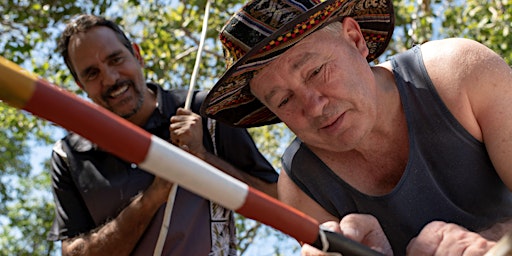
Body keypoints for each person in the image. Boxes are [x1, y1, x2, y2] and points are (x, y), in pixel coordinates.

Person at [199, 0, 512, 255]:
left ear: (355, 39)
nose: (314, 106)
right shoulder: (302, 187)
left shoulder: (459, 72)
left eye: (316, 71)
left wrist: (492, 245)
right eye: (283, 100)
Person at [47, 14, 278, 256]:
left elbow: (277, 202)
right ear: (80, 85)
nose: (111, 79)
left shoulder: (203, 110)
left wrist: (202, 159)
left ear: (137, 55)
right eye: (92, 73)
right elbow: (72, 253)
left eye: (115, 59)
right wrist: (151, 198)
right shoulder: (68, 155)